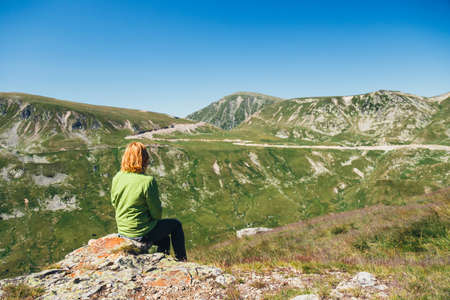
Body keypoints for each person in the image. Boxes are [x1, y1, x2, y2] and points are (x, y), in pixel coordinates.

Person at [111, 141, 187, 261]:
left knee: (164, 239)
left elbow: (114, 203)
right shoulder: (147, 181)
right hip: (140, 233)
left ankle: (162, 261)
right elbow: (157, 214)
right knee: (175, 225)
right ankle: (182, 260)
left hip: (123, 232)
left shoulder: (117, 177)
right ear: (143, 159)